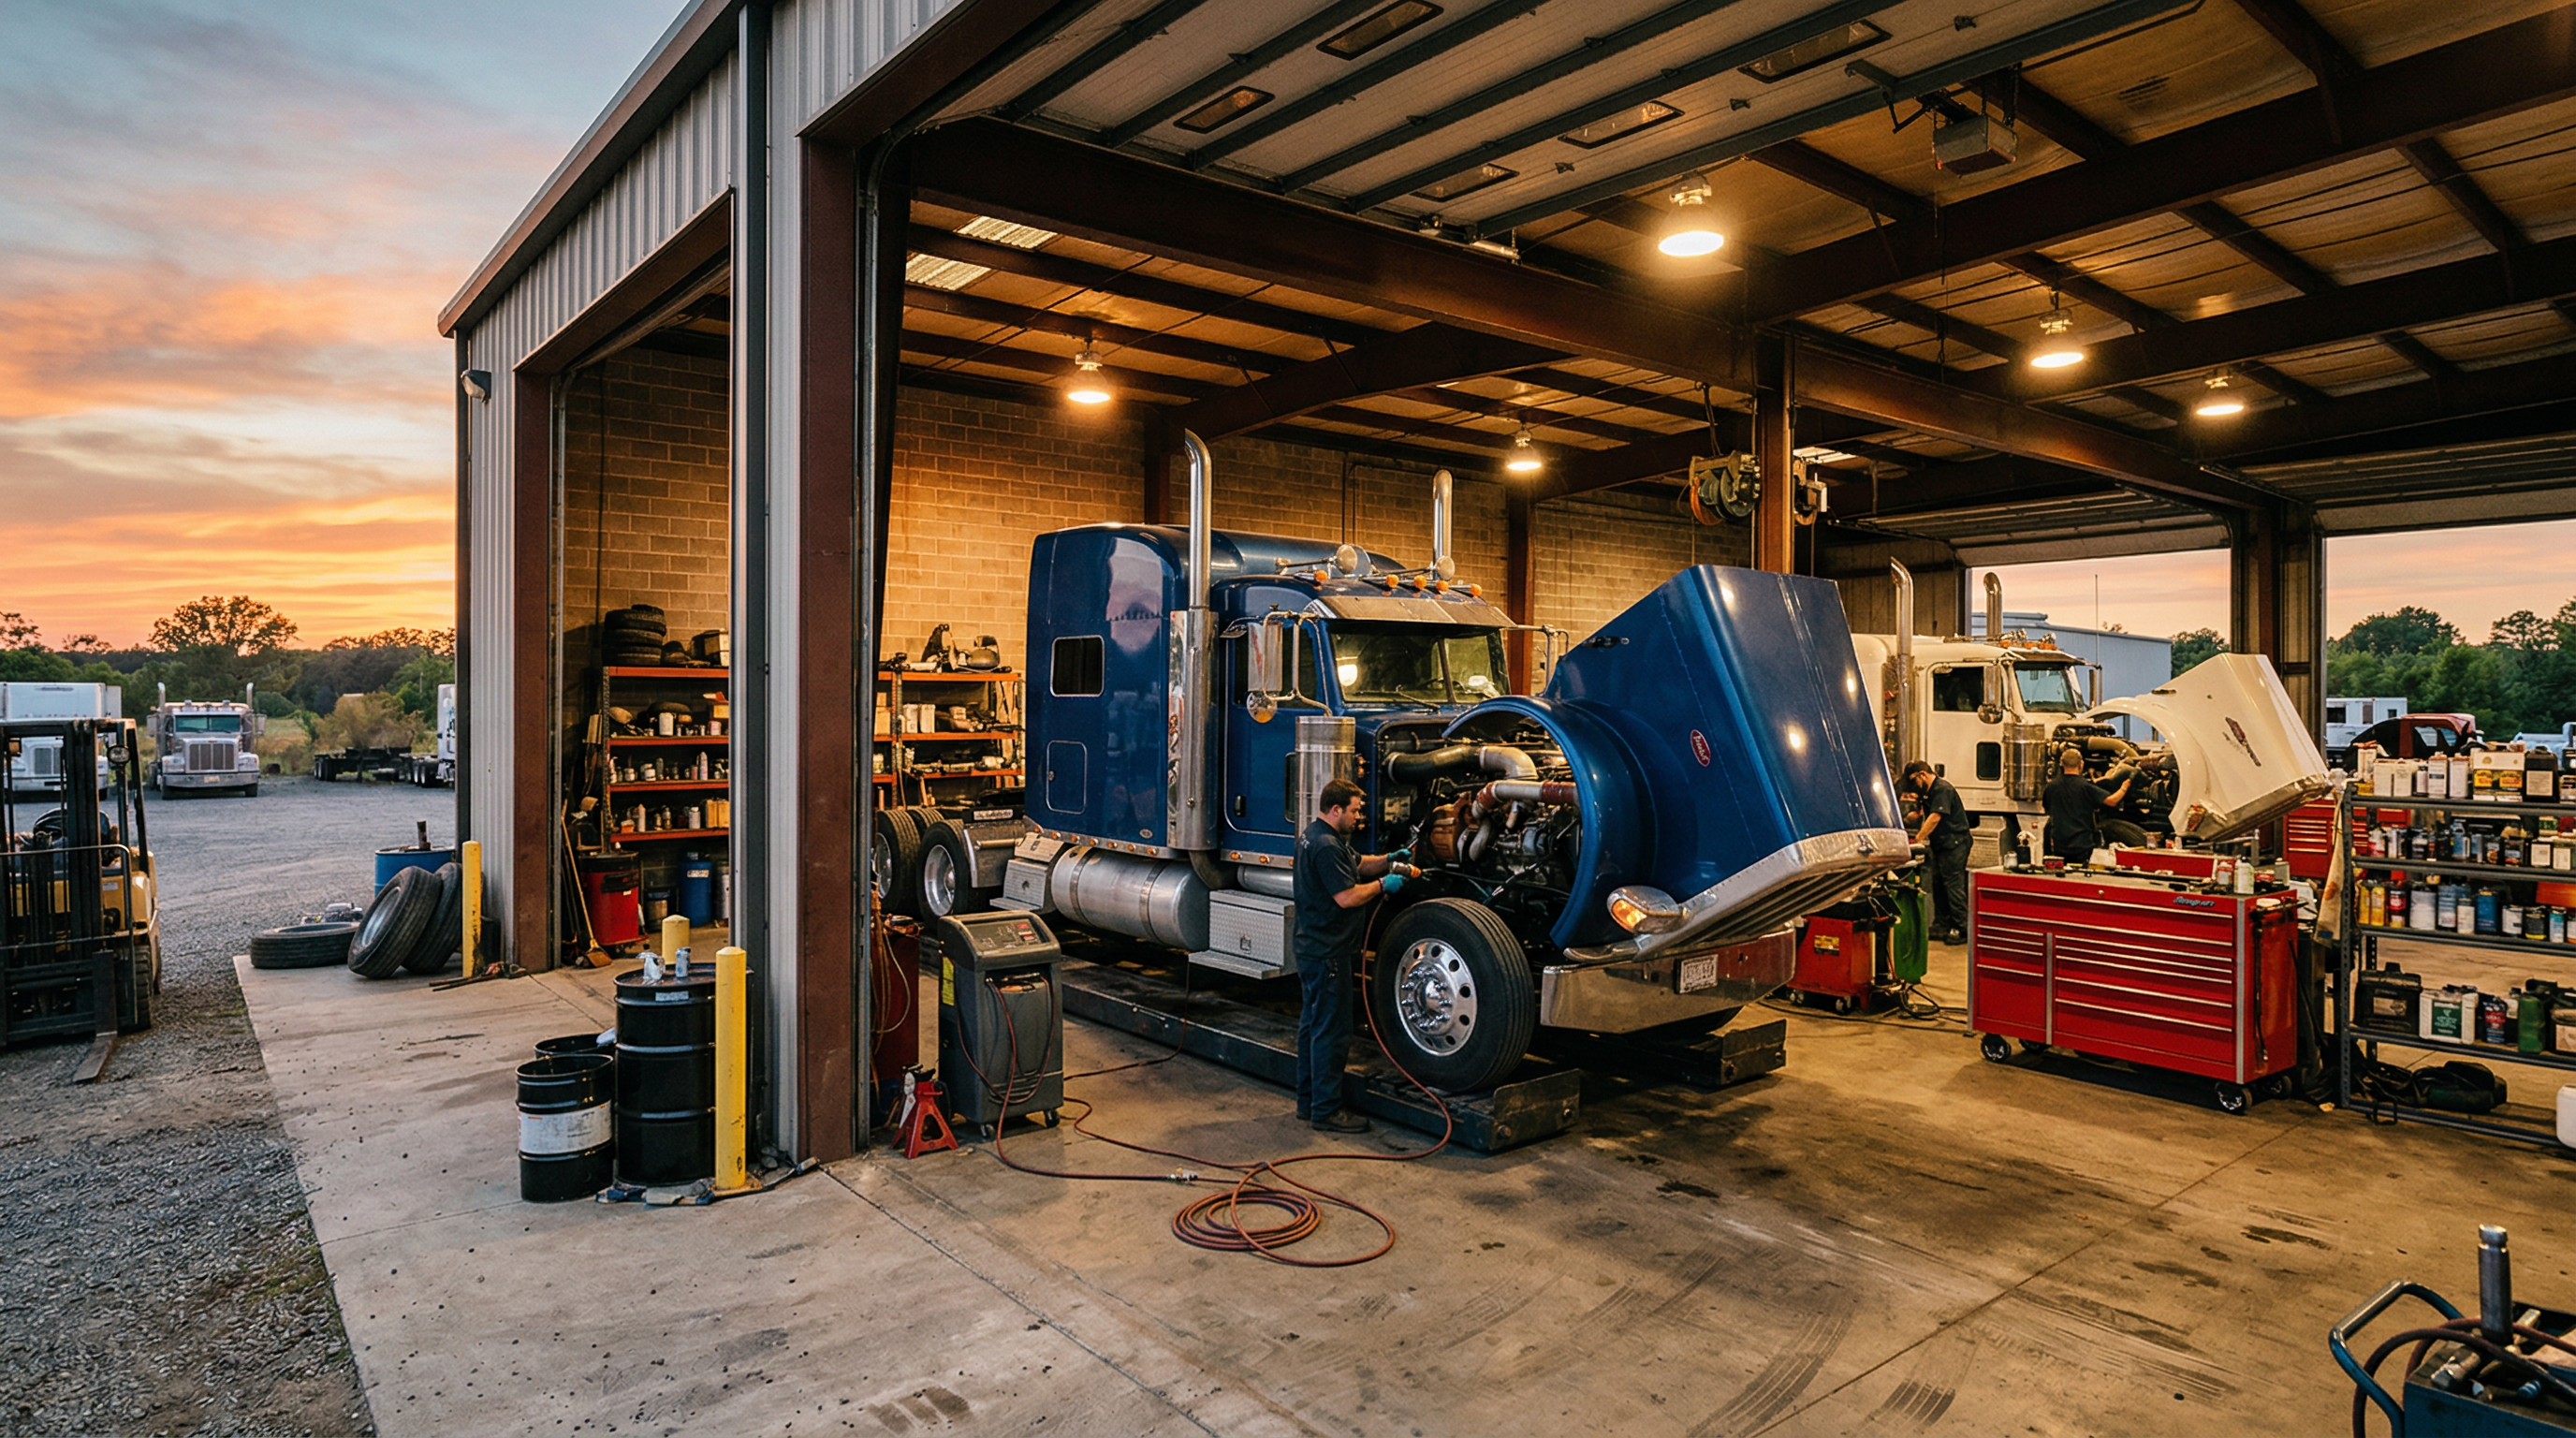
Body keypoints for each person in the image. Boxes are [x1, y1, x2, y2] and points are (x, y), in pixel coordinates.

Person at [1292, 776, 1419, 1134]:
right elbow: (1346, 896)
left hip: (1311, 946)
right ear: (1336, 809)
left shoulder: (1316, 834)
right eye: (1354, 810)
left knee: (1312, 1028)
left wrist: (1388, 861)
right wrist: (1383, 886)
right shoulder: (1327, 846)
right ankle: (1327, 1112)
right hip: (1326, 953)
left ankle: (1308, 1103)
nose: (1359, 817)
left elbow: (1359, 863)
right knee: (1332, 1033)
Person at [1902, 760, 1971, 945]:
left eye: (1914, 781)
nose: (1914, 786)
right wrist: (1904, 820)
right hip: (1941, 844)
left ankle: (1963, 928)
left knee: (1953, 884)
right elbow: (1921, 814)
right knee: (1939, 883)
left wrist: (1918, 838)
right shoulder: (1928, 793)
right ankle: (1942, 924)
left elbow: (1935, 817)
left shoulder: (1943, 789)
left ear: (1922, 774)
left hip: (1955, 843)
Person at [2042, 747, 2134, 862]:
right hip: (2082, 846)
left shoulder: (2051, 787)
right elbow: (2112, 801)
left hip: (2059, 847)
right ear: (2081, 764)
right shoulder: (2086, 787)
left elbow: (2047, 810)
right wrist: (2124, 787)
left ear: (2061, 764)